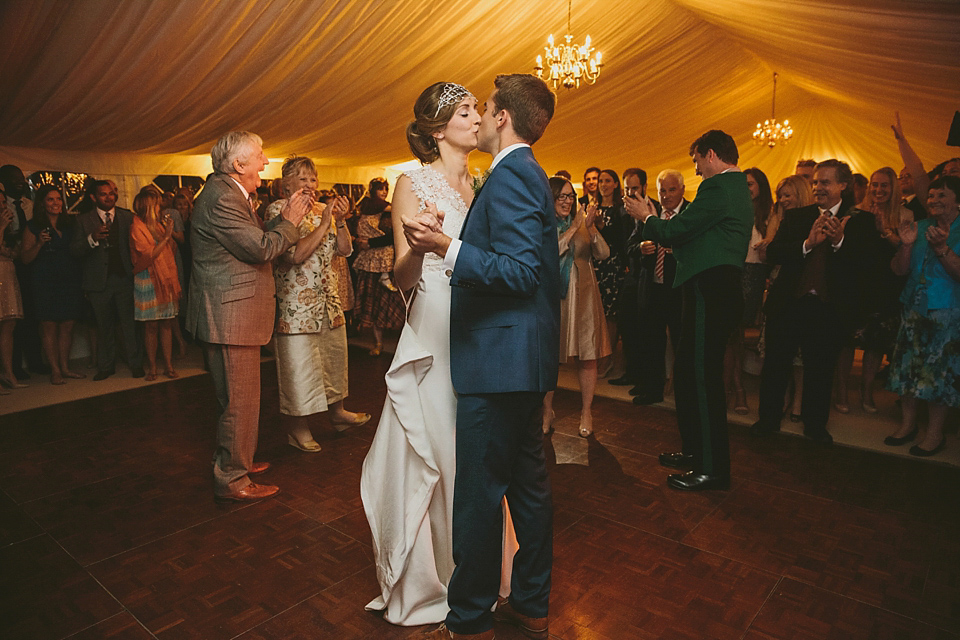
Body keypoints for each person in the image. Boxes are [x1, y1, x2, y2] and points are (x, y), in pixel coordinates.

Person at [403, 74, 559, 640]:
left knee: (478, 496)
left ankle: (467, 620)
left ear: (503, 118)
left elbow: (521, 272)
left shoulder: (513, 174)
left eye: (486, 108)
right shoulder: (524, 173)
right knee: (529, 489)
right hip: (521, 358)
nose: (482, 115)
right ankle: (531, 602)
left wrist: (446, 246)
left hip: (498, 360)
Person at [361, 82, 517, 630]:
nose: (478, 118)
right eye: (466, 111)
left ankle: (478, 568)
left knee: (475, 446)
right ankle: (433, 576)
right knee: (440, 443)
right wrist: (421, 244)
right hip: (435, 322)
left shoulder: (483, 181)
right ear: (436, 128)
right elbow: (399, 274)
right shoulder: (413, 182)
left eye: (477, 110)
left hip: (478, 323)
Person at [185, 131, 310, 503]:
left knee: (237, 398)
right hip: (230, 315)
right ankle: (233, 478)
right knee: (240, 401)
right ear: (238, 165)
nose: (265, 162)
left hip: (232, 313)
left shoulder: (229, 192)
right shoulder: (223, 196)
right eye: (259, 156)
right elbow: (260, 248)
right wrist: (289, 219)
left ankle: (237, 458)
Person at [629, 130, 752, 491]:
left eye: (697, 160)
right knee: (687, 371)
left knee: (702, 377)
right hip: (712, 287)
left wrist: (646, 218)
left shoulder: (720, 187)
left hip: (710, 290)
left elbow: (679, 229)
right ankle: (697, 451)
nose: (697, 170)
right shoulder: (735, 189)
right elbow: (700, 238)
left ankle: (712, 468)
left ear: (711, 154)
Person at [751, 160, 874, 444]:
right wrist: (807, 244)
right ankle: (768, 419)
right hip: (789, 304)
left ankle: (815, 424)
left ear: (843, 185)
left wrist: (840, 242)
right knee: (775, 365)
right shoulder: (797, 217)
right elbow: (775, 252)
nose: (818, 188)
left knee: (820, 369)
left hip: (828, 308)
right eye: (816, 182)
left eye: (825, 182)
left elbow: (864, 267)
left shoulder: (861, 221)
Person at [267, 156, 369, 453]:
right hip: (295, 305)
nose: (310, 185)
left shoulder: (324, 210)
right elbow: (295, 256)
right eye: (303, 179)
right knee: (299, 367)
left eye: (313, 179)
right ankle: (297, 429)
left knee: (332, 359)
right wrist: (326, 223)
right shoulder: (279, 211)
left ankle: (337, 414)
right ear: (286, 185)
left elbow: (345, 250)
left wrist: (342, 220)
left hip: (327, 299)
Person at [885, 175, 960, 456]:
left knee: (937, 375)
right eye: (930, 196)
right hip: (913, 307)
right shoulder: (919, 227)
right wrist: (905, 245)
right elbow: (899, 270)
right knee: (907, 369)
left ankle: (934, 433)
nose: (934, 201)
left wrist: (942, 249)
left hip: (948, 312)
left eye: (942, 195)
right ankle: (907, 426)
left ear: (957, 201)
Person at [835, 167, 912, 413]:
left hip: (885, 286)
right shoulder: (854, 212)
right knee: (847, 340)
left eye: (884, 185)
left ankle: (867, 391)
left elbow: (906, 251)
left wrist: (884, 231)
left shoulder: (905, 215)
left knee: (875, 343)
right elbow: (845, 250)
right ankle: (842, 389)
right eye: (875, 185)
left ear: (893, 188)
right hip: (855, 284)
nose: (878, 190)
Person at [541, 176, 610, 437]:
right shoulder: (544, 224)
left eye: (571, 196)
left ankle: (586, 411)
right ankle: (547, 410)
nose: (568, 201)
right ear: (551, 198)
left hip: (584, 296)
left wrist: (590, 229)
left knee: (587, 355)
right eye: (562, 196)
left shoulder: (584, 223)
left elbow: (604, 254)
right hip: (553, 298)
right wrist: (573, 228)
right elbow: (548, 253)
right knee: (549, 357)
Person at [71, 179, 145, 380]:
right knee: (104, 326)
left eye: (111, 193)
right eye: (103, 194)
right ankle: (106, 366)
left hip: (124, 279)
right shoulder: (83, 220)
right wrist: (92, 238)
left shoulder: (127, 216)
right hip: (97, 282)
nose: (109, 197)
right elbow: (75, 251)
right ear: (94, 197)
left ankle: (136, 364)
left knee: (130, 325)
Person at [627, 169, 686, 405]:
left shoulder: (690, 213)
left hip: (679, 289)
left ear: (681, 190)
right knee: (651, 341)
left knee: (681, 342)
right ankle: (652, 389)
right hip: (651, 286)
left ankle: (683, 391)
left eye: (672, 190)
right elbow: (629, 245)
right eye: (663, 190)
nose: (667, 196)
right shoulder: (649, 213)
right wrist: (641, 247)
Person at [20, 185, 86, 385]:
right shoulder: (33, 226)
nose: (56, 203)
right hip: (44, 281)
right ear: (42, 203)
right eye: (50, 199)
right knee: (48, 326)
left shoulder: (70, 224)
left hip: (69, 280)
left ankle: (65, 367)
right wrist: (39, 244)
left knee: (67, 325)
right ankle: (55, 370)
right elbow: (25, 258)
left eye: (58, 199)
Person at [725, 167, 775, 415]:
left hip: (754, 275)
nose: (746, 189)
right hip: (732, 271)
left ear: (761, 187)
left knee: (738, 335)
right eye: (743, 184)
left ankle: (735, 387)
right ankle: (735, 388)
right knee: (731, 335)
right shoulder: (733, 208)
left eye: (751, 184)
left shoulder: (770, 214)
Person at [609, 167, 657, 390]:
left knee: (644, 328)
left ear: (645, 188)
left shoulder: (653, 207)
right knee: (626, 323)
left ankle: (644, 377)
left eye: (635, 188)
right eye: (627, 188)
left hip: (648, 275)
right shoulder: (621, 210)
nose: (630, 192)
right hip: (629, 274)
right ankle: (632, 372)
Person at [130, 190, 181, 381]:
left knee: (166, 323)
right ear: (150, 207)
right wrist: (167, 237)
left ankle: (168, 364)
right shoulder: (136, 227)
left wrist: (169, 235)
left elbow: (170, 251)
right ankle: (152, 366)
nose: (161, 207)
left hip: (165, 278)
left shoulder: (159, 226)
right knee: (151, 326)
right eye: (158, 204)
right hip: (147, 278)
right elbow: (148, 255)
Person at [0, 164, 45, 378]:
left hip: (30, 263)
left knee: (32, 313)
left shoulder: (30, 205)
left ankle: (36, 361)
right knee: (11, 319)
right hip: (8, 265)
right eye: (13, 178)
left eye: (21, 177)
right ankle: (14, 368)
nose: (19, 181)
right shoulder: (2, 207)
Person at [352, 177, 405, 355]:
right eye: (380, 189)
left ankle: (390, 343)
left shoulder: (387, 210)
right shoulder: (372, 207)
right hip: (371, 263)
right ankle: (378, 342)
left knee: (385, 304)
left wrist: (370, 243)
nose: (383, 192)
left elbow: (393, 237)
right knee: (373, 303)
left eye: (385, 189)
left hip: (385, 263)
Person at [591, 169, 629, 377]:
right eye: (600, 181)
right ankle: (597, 356)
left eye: (607, 181)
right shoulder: (592, 207)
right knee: (597, 313)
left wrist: (601, 225)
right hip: (596, 265)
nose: (603, 185)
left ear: (615, 184)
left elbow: (621, 240)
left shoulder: (620, 209)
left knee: (610, 315)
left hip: (613, 266)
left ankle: (609, 358)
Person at [0, 186, 25, 392]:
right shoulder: (2, 226)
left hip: (7, 275)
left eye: (3, 202)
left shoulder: (8, 226)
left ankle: (8, 373)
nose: (3, 206)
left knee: (9, 326)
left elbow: (15, 252)